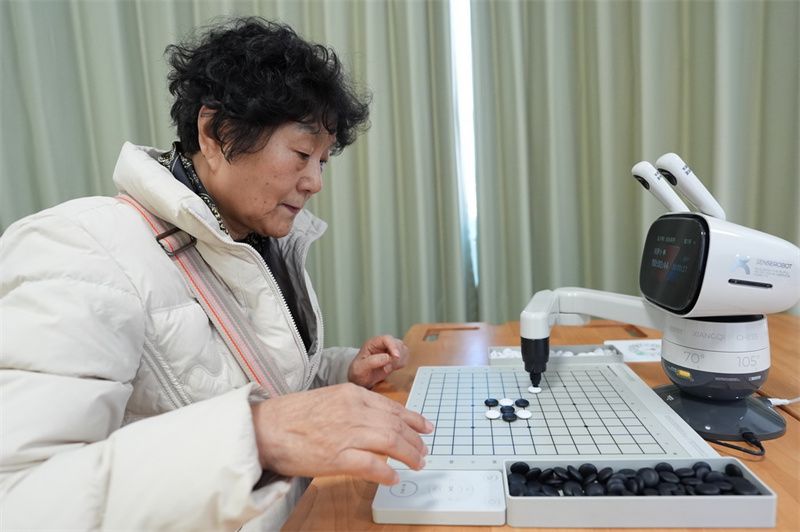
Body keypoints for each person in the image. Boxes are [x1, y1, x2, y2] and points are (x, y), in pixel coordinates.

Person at [0, 16, 432, 531]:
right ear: (215, 131)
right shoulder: (80, 246)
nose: (315, 182)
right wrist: (257, 436)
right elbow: (20, 499)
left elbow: (253, 386)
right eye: (300, 153)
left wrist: (340, 371)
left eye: (322, 161)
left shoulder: (253, 240)